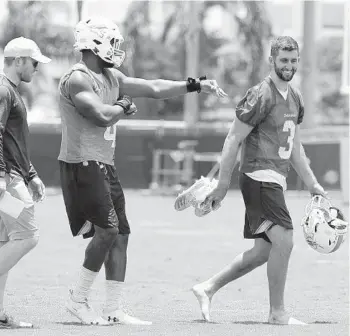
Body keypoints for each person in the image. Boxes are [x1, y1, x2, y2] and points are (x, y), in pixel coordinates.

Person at [58, 17, 227, 326]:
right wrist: (123, 105)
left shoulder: (110, 76)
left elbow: (153, 87)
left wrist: (195, 84)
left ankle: (113, 308)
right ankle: (77, 300)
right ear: (95, 44)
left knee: (120, 235)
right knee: (107, 231)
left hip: (103, 164)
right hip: (82, 163)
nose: (116, 48)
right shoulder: (77, 79)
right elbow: (99, 115)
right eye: (112, 42)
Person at [190, 36, 327, 325]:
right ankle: (277, 313)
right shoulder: (260, 95)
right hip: (257, 176)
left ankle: (207, 288)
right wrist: (223, 185)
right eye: (283, 60)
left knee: (264, 250)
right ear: (272, 61)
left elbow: (295, 149)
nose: (288, 65)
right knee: (286, 241)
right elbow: (233, 138)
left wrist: (313, 183)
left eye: (293, 60)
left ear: (298, 61)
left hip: (275, 179)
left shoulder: (296, 97)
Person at [0, 37, 50, 328]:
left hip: (16, 176)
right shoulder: (4, 90)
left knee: (5, 241)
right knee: (28, 236)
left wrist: (32, 175)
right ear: (18, 61)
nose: (36, 69)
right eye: (33, 63)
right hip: (7, 179)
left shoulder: (12, 92)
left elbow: (13, 141)